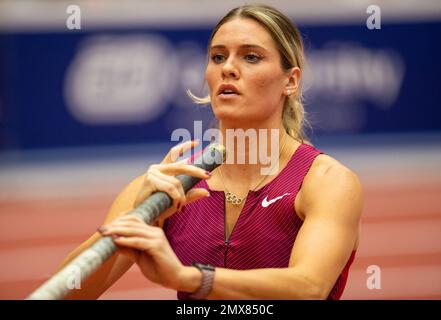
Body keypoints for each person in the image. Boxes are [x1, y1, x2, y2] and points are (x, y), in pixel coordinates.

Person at [58, 4, 363, 300]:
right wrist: (136, 219)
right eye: (218, 57)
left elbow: (308, 288)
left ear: (290, 81)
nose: (228, 68)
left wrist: (190, 278)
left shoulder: (326, 182)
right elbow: (67, 292)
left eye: (251, 57)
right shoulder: (167, 185)